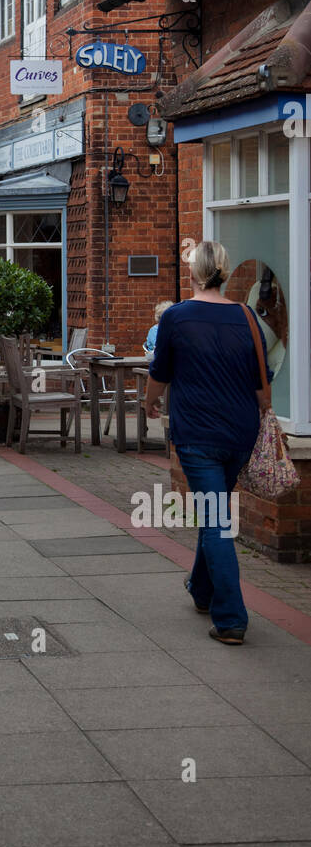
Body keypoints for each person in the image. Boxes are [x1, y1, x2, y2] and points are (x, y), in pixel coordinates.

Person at [143, 240, 271, 645]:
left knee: (216, 519)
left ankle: (232, 618)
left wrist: (149, 403)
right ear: (225, 273)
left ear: (194, 273)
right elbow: (260, 382)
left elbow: (160, 371)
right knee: (214, 509)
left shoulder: (177, 317)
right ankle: (202, 590)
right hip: (240, 434)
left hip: (198, 435)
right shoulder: (247, 317)